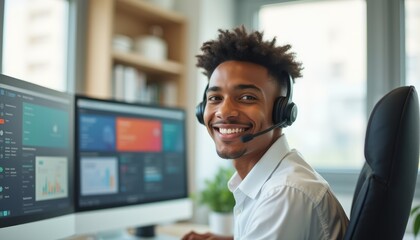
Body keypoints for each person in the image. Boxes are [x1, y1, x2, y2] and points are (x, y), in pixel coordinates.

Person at [183, 26, 349, 240]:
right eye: (215, 98)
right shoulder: (273, 181)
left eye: (247, 98)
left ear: (282, 113)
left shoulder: (285, 193)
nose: (224, 112)